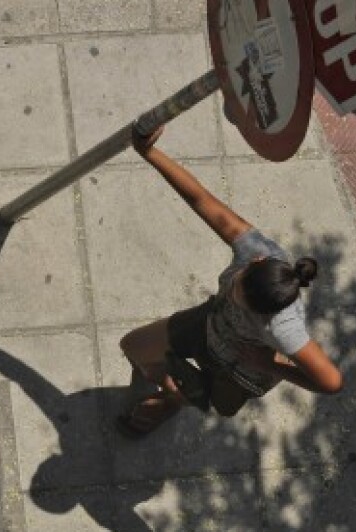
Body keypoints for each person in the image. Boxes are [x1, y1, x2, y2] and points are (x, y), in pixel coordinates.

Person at [116, 127, 343, 436]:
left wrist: (271, 365)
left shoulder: (284, 327)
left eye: (244, 306)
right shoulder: (255, 250)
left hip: (240, 368)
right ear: (255, 263)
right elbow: (200, 199)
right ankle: (175, 394)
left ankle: (173, 402)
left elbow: (330, 382)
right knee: (133, 347)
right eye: (236, 288)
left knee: (218, 403)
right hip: (209, 324)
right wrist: (150, 153)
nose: (234, 295)